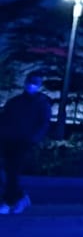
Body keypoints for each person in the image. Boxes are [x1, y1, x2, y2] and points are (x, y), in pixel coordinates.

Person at [0, 70, 51, 214]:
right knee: (10, 171)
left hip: (24, 142)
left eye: (35, 83)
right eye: (30, 82)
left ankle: (10, 202)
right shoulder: (15, 102)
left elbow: (44, 124)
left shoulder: (42, 104)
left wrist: (33, 139)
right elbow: (4, 119)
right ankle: (20, 197)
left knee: (13, 171)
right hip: (8, 140)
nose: (32, 86)